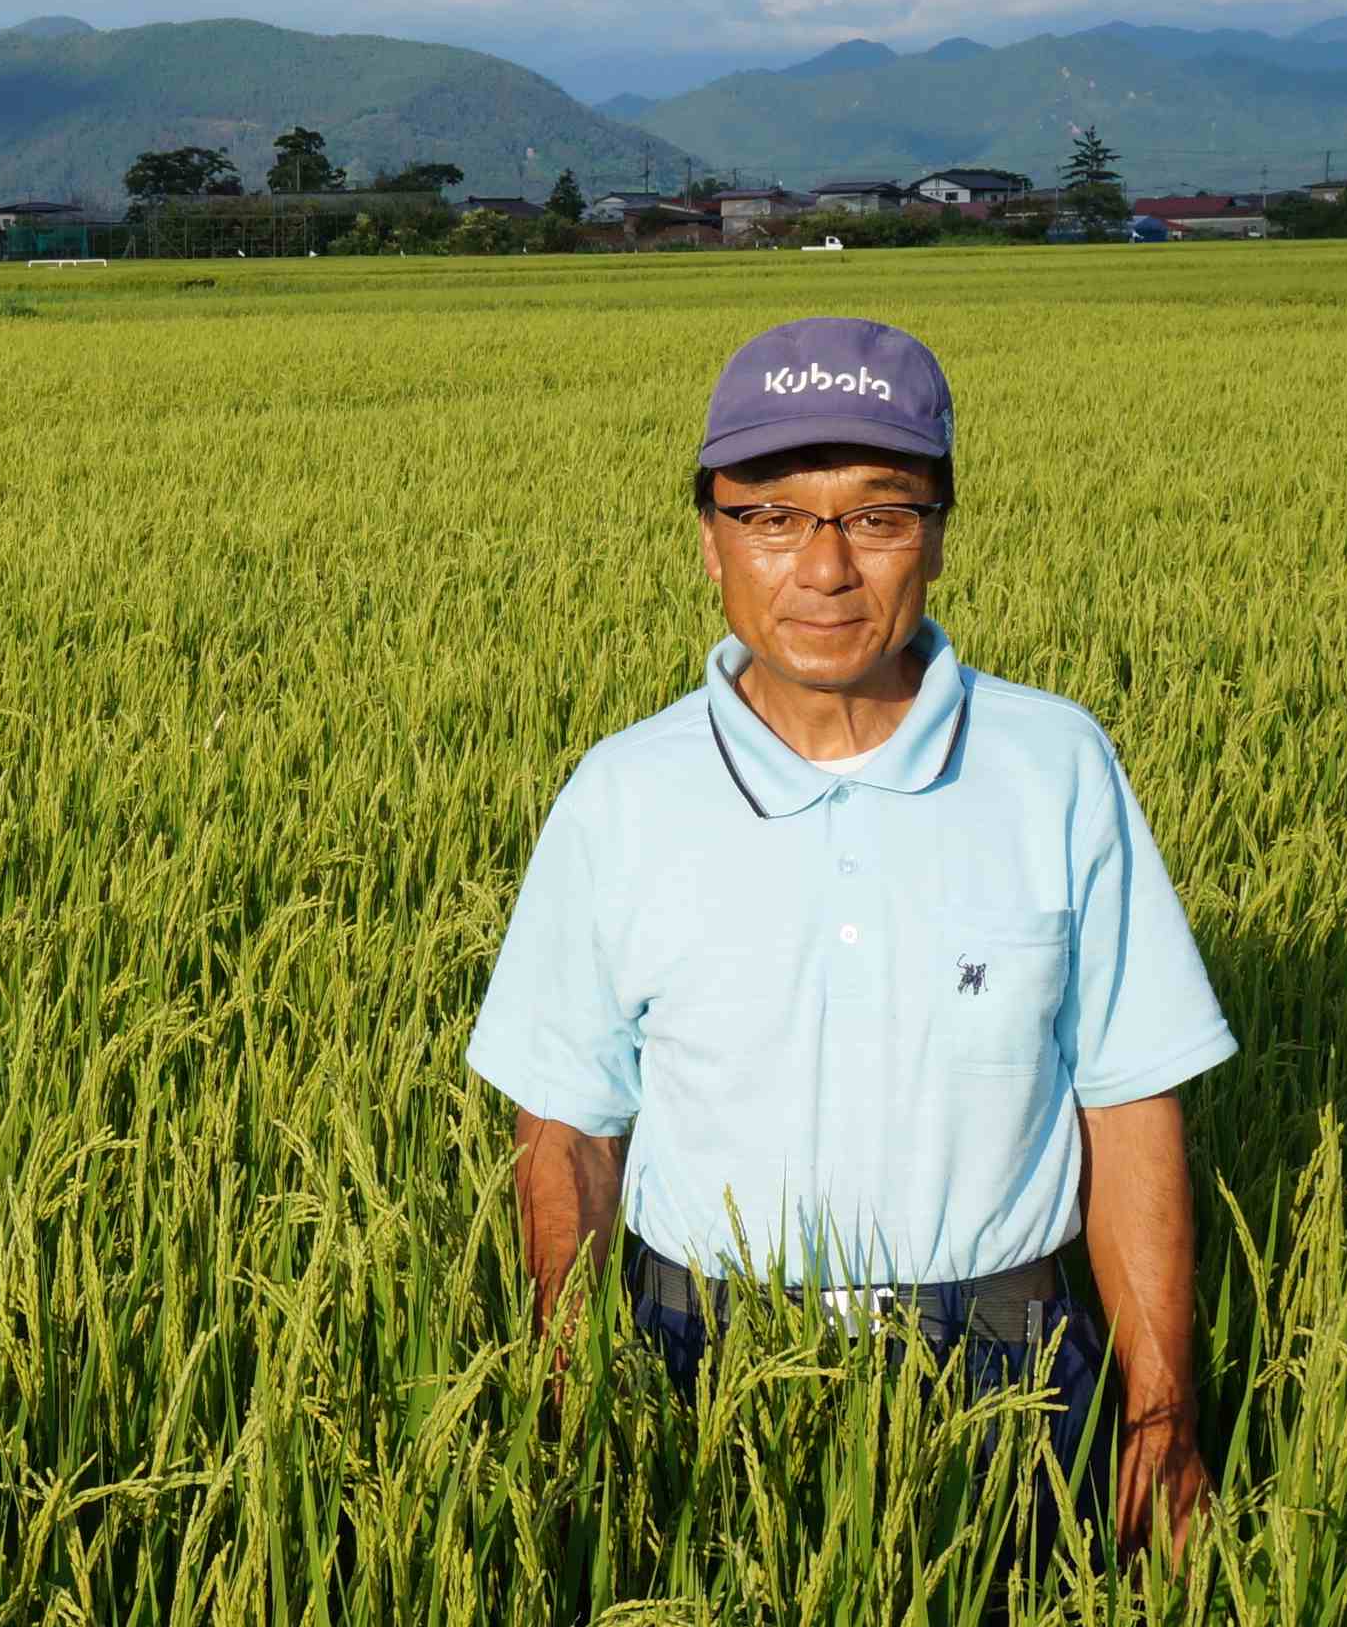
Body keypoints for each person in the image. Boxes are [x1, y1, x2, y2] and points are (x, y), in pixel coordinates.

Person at [467, 316, 1233, 1563]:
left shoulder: (1054, 769)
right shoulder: (621, 795)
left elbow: (1130, 1104)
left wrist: (1159, 1419)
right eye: (771, 516)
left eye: (876, 517)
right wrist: (572, 1399)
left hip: (1010, 1388)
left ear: (936, 532)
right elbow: (567, 1125)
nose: (823, 566)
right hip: (700, 1369)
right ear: (709, 540)